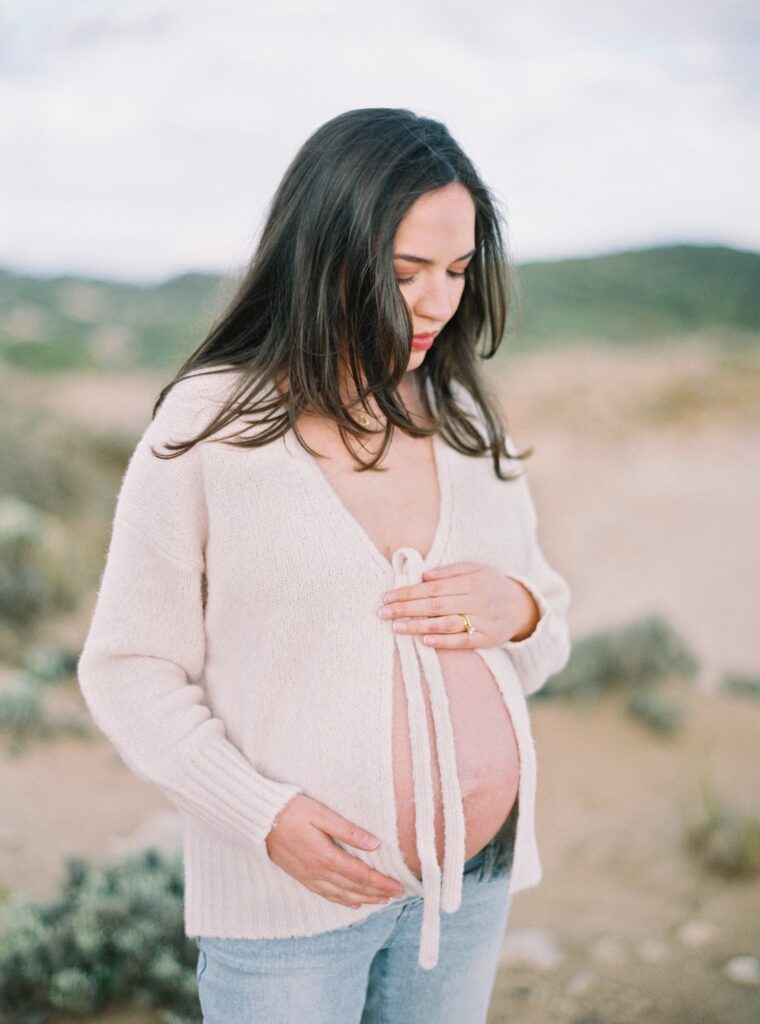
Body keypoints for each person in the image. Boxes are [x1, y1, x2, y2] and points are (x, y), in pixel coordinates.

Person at [77, 107, 572, 1024]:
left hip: (470, 886)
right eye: (405, 272)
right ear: (323, 255)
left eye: (458, 270)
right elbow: (128, 668)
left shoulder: (465, 421)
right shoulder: (210, 426)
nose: (438, 303)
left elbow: (544, 628)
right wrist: (260, 816)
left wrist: (521, 610)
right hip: (291, 907)